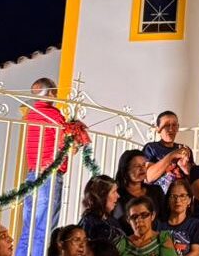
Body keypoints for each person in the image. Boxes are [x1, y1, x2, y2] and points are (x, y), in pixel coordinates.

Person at [15, 78, 67, 256]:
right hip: (49, 175)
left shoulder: (32, 114)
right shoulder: (53, 115)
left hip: (32, 174)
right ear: (50, 92)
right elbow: (64, 143)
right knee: (43, 230)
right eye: (55, 91)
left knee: (28, 229)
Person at [113, 152, 165, 234]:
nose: (142, 169)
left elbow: (164, 218)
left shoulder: (156, 191)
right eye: (137, 166)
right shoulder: (117, 195)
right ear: (125, 170)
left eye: (144, 165)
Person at [143, 113, 194, 195]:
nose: (171, 129)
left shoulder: (185, 149)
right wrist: (172, 155)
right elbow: (148, 177)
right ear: (158, 129)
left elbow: (194, 181)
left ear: (178, 128)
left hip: (181, 198)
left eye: (174, 125)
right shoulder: (151, 148)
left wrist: (185, 168)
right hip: (158, 198)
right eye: (166, 125)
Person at [159, 179, 199, 256]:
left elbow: (196, 252)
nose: (178, 200)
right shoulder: (158, 224)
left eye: (182, 196)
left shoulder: (195, 224)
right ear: (168, 200)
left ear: (189, 200)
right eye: (173, 196)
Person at [79, 174, 125, 245]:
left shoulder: (112, 220)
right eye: (114, 192)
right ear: (102, 195)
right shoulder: (89, 223)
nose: (118, 196)